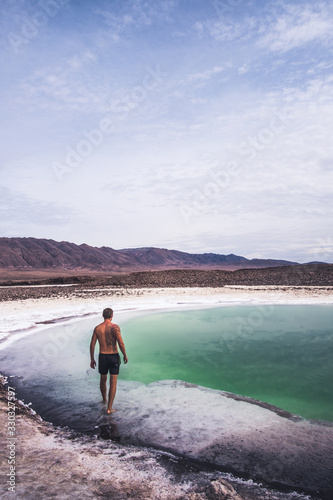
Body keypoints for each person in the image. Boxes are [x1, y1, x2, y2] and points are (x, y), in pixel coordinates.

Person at [90, 307, 128, 414]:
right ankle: (109, 408)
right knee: (113, 383)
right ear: (112, 316)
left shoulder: (97, 328)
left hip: (102, 356)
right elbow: (121, 343)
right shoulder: (115, 327)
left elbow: (92, 344)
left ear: (103, 316)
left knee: (103, 379)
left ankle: (104, 400)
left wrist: (92, 359)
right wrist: (125, 355)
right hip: (113, 356)